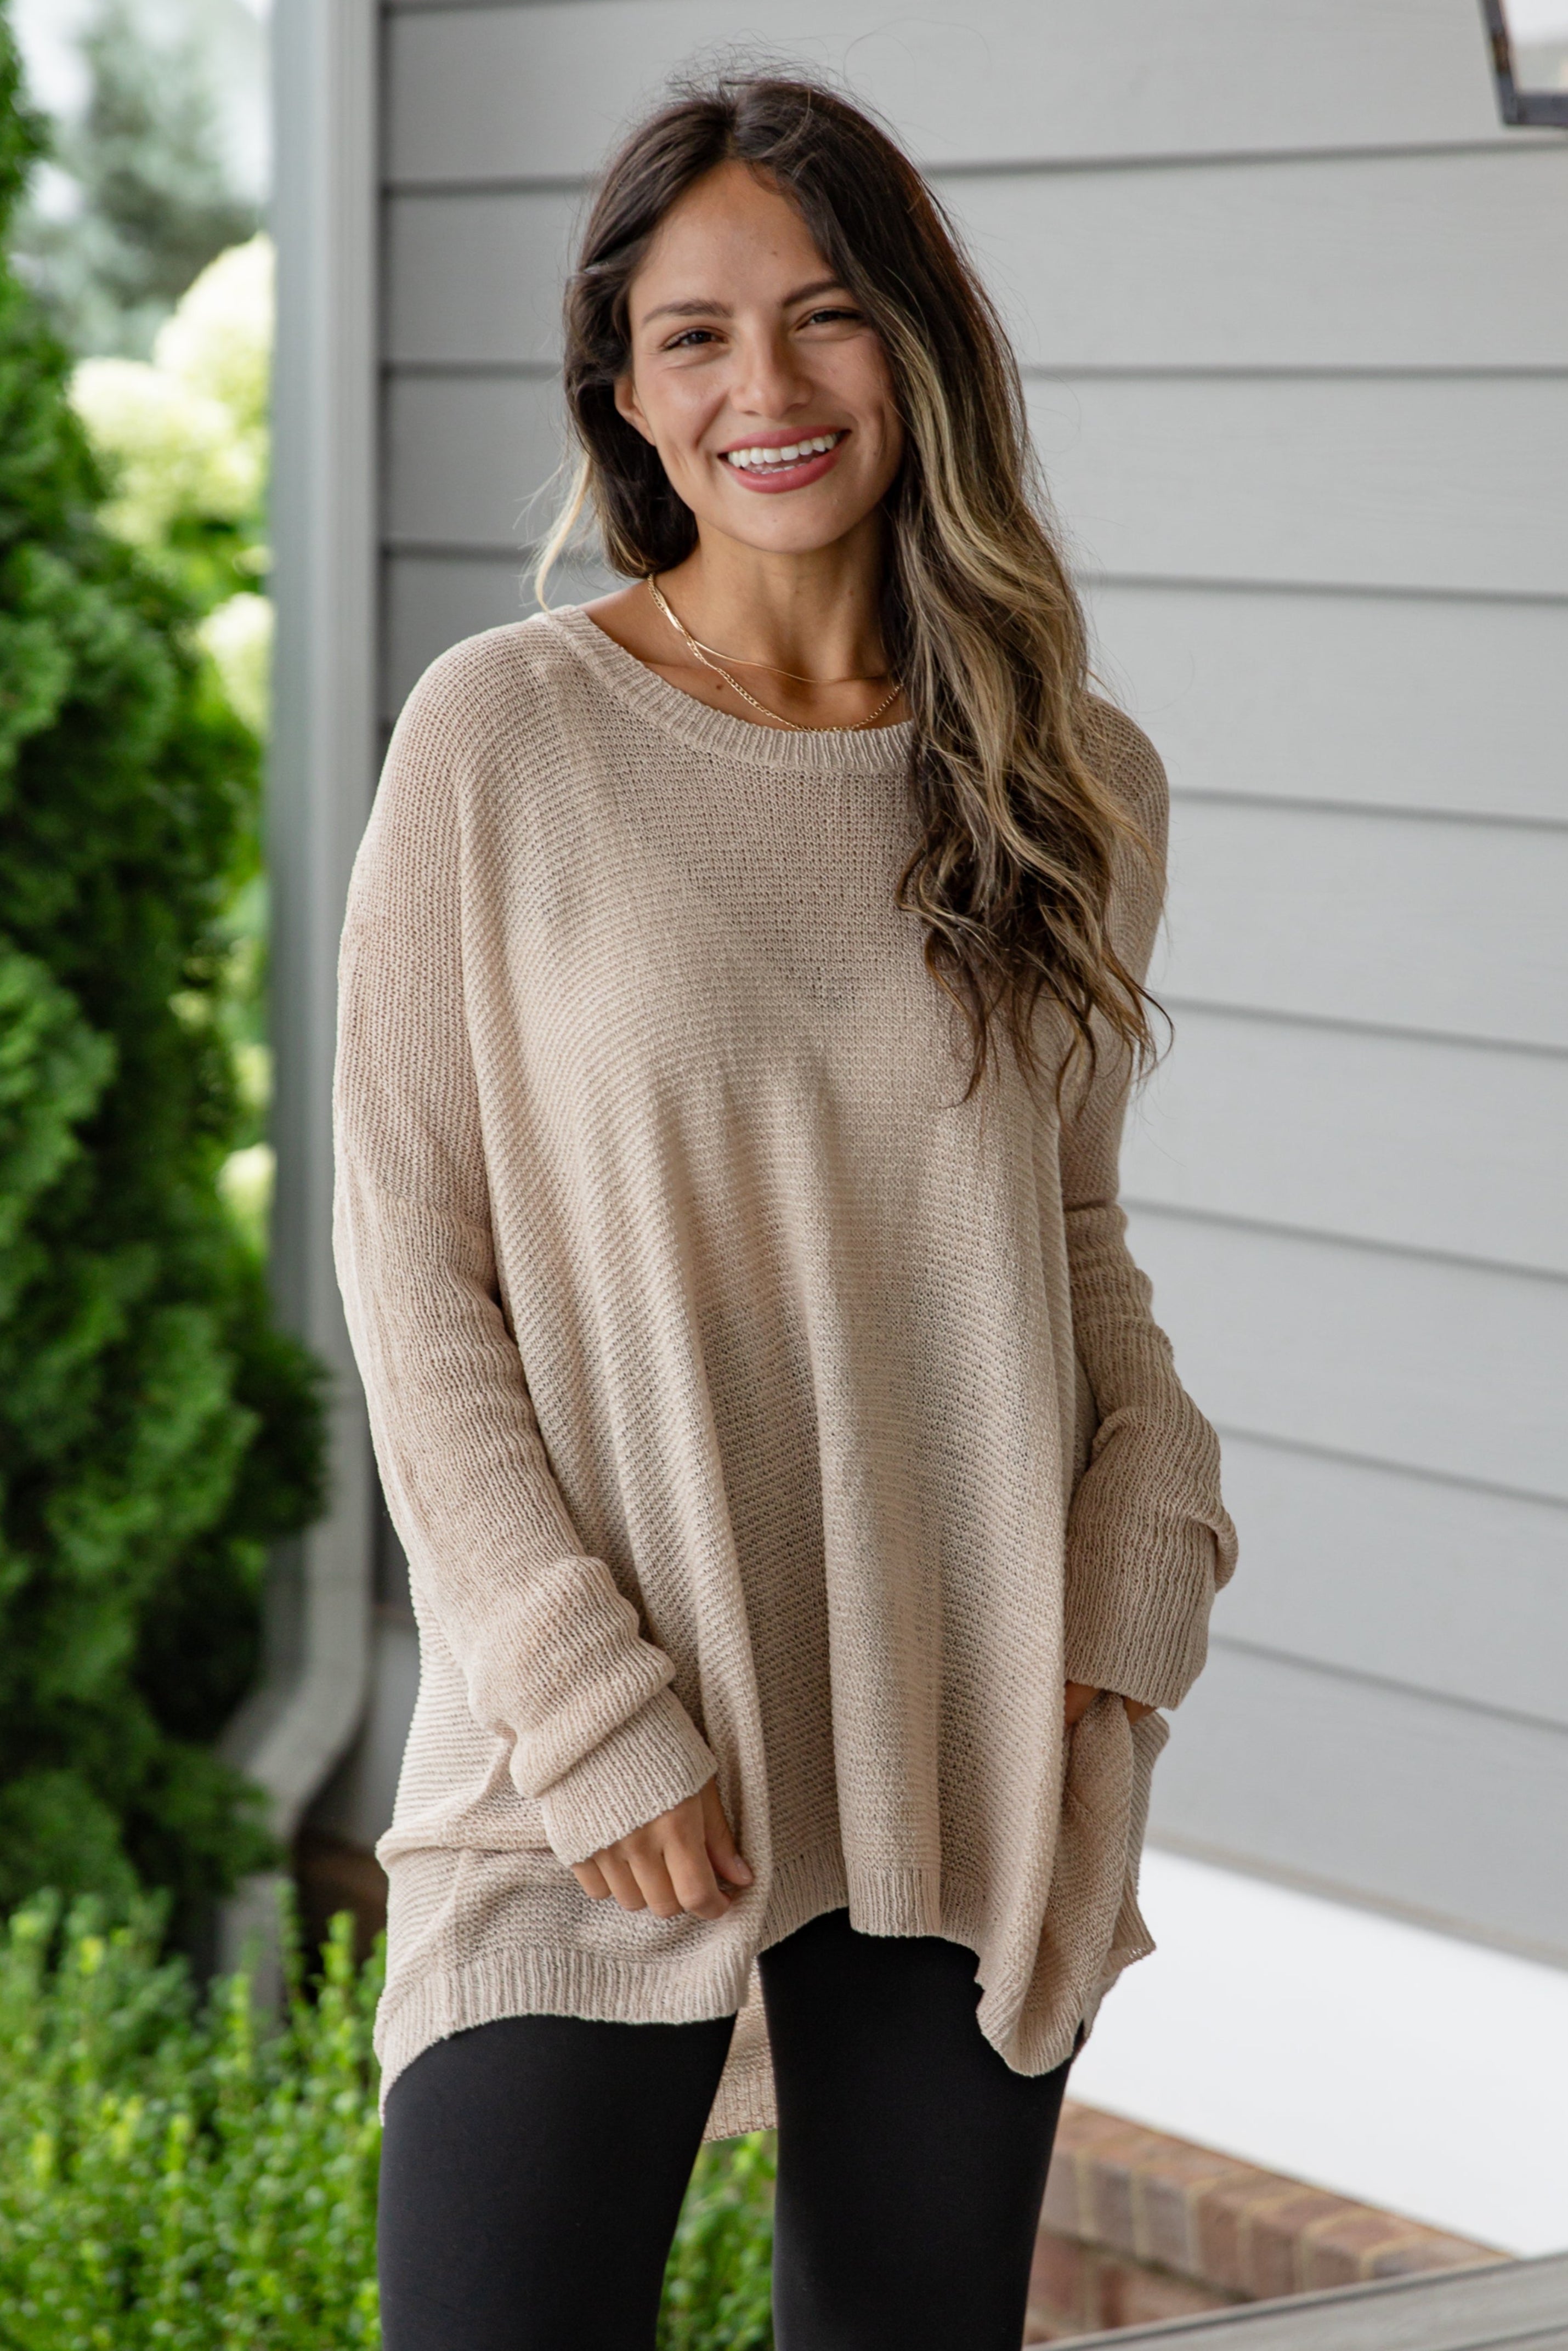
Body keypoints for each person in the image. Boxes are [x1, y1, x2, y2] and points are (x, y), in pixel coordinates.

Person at [335, 70, 1238, 2351]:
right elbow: (411, 1268)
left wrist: (1128, 1619)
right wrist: (583, 1704)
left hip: (967, 1737)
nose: (767, 389)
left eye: (823, 318)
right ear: (625, 399)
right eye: (695, 339)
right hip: (599, 1755)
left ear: (918, 346)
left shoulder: (1067, 773)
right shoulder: (505, 739)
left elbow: (1072, 1249)